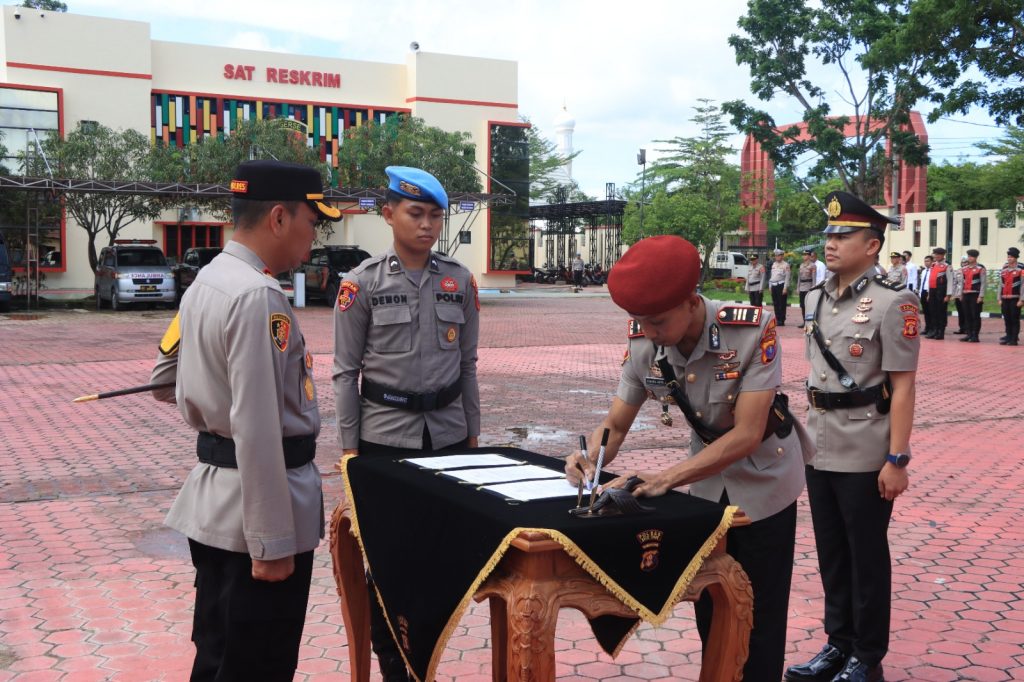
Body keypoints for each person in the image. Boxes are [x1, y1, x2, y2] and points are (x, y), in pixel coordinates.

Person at [564, 235, 809, 682]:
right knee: (710, 606)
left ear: (692, 302)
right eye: (640, 321)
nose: (649, 331)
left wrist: (666, 479)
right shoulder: (644, 338)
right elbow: (616, 424)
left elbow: (748, 433)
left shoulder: (752, 328)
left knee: (758, 612)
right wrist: (587, 455)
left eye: (657, 321)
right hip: (706, 483)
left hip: (766, 478)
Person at [150, 160, 342, 681]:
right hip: (257, 513)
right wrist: (272, 540)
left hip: (216, 502)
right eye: (312, 220)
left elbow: (164, 376)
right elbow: (258, 428)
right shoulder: (259, 296)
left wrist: (206, 388)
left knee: (218, 654)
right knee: (257, 664)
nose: (314, 234)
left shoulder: (207, 279)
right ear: (279, 218)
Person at [332, 166, 480, 681]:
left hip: (447, 438)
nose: (427, 226)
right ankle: (392, 663)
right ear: (387, 212)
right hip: (384, 441)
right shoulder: (361, 284)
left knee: (443, 557)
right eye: (416, 213)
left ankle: (429, 655)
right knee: (387, 562)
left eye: (436, 216)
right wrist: (350, 450)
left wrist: (473, 437)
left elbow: (467, 367)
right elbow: (345, 373)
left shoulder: (458, 280)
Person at [785, 191, 919, 682]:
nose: (832, 243)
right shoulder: (815, 298)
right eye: (829, 235)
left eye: (844, 235)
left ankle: (867, 656)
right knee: (831, 554)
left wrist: (897, 458)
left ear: (873, 245)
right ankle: (837, 645)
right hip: (819, 445)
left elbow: (902, 386)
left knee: (866, 556)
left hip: (866, 449)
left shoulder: (892, 301)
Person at [998, 247, 1024, 346]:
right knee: (1007, 318)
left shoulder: (1021, 268)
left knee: (1014, 318)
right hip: (1005, 298)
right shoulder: (1005, 268)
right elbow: (1001, 284)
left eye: (1011, 257)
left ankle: (1014, 339)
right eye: (1008, 257)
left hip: (1015, 298)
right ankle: (1008, 336)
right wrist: (999, 298)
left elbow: (1023, 284)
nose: (1009, 258)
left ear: (1016, 258)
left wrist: (1022, 299)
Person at [959, 249, 985, 343]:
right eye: (969, 256)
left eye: (971, 256)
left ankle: (975, 335)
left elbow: (983, 283)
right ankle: (969, 334)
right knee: (967, 315)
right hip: (966, 294)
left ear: (975, 257)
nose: (969, 258)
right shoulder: (964, 269)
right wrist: (960, 294)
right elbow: (962, 282)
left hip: (975, 294)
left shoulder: (980, 269)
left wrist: (981, 296)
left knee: (975, 315)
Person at [925, 247, 950, 340]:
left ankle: (941, 332)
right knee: (933, 311)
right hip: (932, 291)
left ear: (943, 255)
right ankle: (934, 330)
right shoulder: (933, 265)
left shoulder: (947, 266)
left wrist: (948, 295)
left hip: (941, 291)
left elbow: (950, 281)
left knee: (941, 312)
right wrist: (928, 293)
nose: (936, 256)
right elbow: (930, 279)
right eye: (935, 254)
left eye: (938, 254)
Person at [769, 248, 791, 325]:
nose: (777, 257)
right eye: (776, 256)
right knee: (775, 303)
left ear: (782, 256)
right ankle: (777, 318)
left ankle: (781, 320)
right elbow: (772, 276)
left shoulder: (786, 265)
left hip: (781, 285)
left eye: (779, 255)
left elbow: (787, 277)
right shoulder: (774, 264)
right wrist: (770, 286)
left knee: (782, 303)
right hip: (774, 285)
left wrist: (785, 288)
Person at [798, 248, 817, 322]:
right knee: (802, 305)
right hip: (802, 287)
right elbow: (799, 277)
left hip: (809, 286)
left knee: (808, 305)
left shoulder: (813, 266)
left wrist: (813, 288)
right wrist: (798, 287)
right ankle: (804, 321)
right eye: (803, 255)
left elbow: (814, 278)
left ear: (809, 256)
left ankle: (808, 321)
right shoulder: (801, 265)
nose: (804, 256)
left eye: (805, 255)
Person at [951, 256, 967, 335]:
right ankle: (962, 328)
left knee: (966, 312)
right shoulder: (958, 271)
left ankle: (968, 328)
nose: (964, 264)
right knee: (960, 312)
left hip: (966, 294)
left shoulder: (969, 271)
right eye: (963, 262)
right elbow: (954, 283)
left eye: (965, 262)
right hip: (958, 294)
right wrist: (953, 294)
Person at [919, 255, 933, 336]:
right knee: (926, 311)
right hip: (923, 292)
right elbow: (922, 283)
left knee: (931, 311)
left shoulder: (933, 270)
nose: (926, 263)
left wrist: (929, 293)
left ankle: (931, 328)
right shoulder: (924, 271)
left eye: (928, 261)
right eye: (925, 261)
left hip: (929, 292)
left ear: (932, 262)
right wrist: (920, 293)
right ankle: (927, 328)